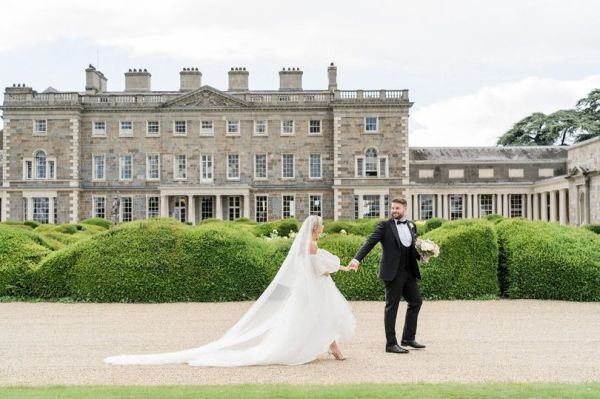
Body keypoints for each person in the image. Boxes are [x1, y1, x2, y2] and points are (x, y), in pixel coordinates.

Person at [104, 215, 355, 366]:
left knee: (320, 317)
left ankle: (332, 347)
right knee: (317, 317)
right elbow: (317, 268)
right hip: (315, 287)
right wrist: (334, 268)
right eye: (321, 226)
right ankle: (320, 348)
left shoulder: (309, 243)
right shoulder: (311, 245)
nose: (322, 229)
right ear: (316, 229)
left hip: (314, 288)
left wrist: (337, 267)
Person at [348, 197, 429, 354]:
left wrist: (422, 256)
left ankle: (408, 338)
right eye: (392, 208)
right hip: (393, 272)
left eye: (397, 208)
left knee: (416, 301)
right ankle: (391, 343)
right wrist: (357, 259)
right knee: (392, 307)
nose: (394, 211)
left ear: (405, 209)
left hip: (409, 271)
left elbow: (411, 247)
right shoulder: (385, 226)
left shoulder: (411, 225)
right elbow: (369, 242)